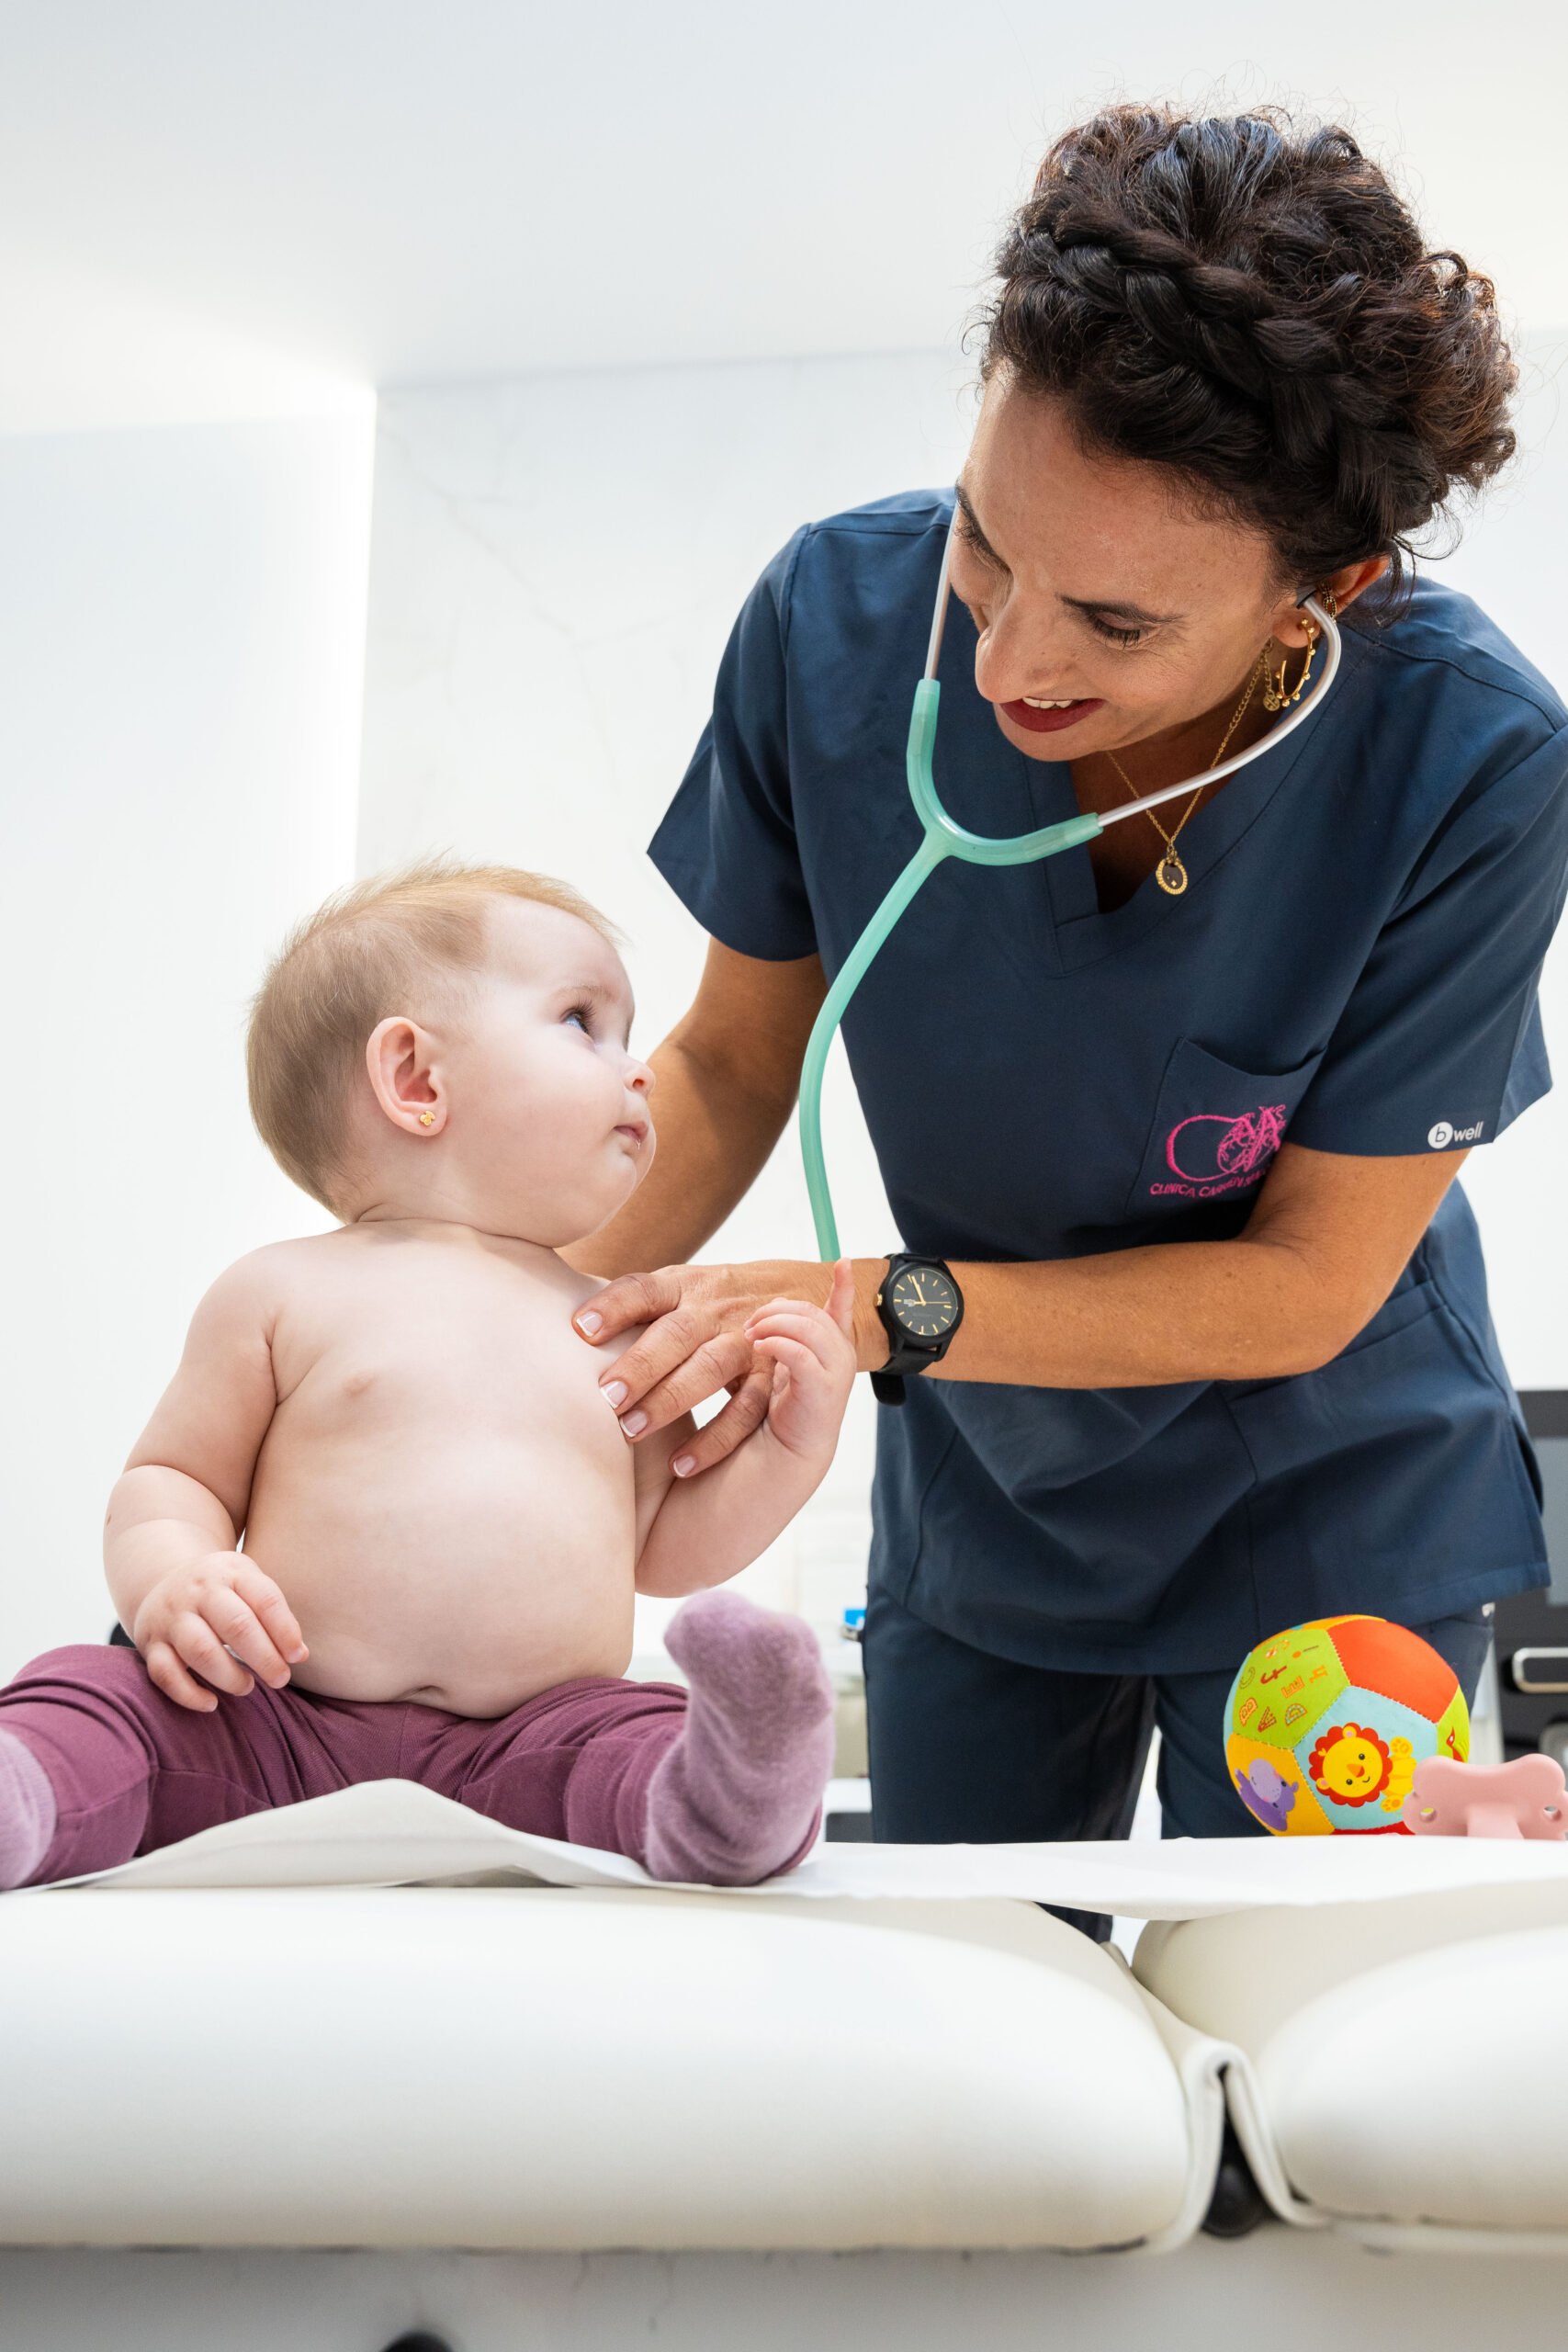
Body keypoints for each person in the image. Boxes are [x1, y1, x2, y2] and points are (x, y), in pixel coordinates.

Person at [569, 106, 1568, 1886]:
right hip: (992, 1499)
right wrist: (479, 1341)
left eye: (1111, 624)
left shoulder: (1468, 757)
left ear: (1313, 600)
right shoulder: (832, 622)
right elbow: (730, 1064)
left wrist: (871, 1304)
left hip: (1334, 1498)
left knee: (1293, 2033)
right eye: (983, 542)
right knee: (965, 2037)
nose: (1007, 656)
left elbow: (1303, 1279)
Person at [0, 863, 852, 1892]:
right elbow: (171, 1480)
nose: (640, 1072)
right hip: (274, 1722)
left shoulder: (617, 1321)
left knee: (634, 1736)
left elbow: (664, 1545)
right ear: (416, 1078)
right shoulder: (281, 1292)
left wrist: (792, 1450)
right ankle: (29, 1793)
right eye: (585, 1021)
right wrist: (170, 1575)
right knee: (100, 1696)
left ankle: (725, 1801)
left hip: (531, 1738)